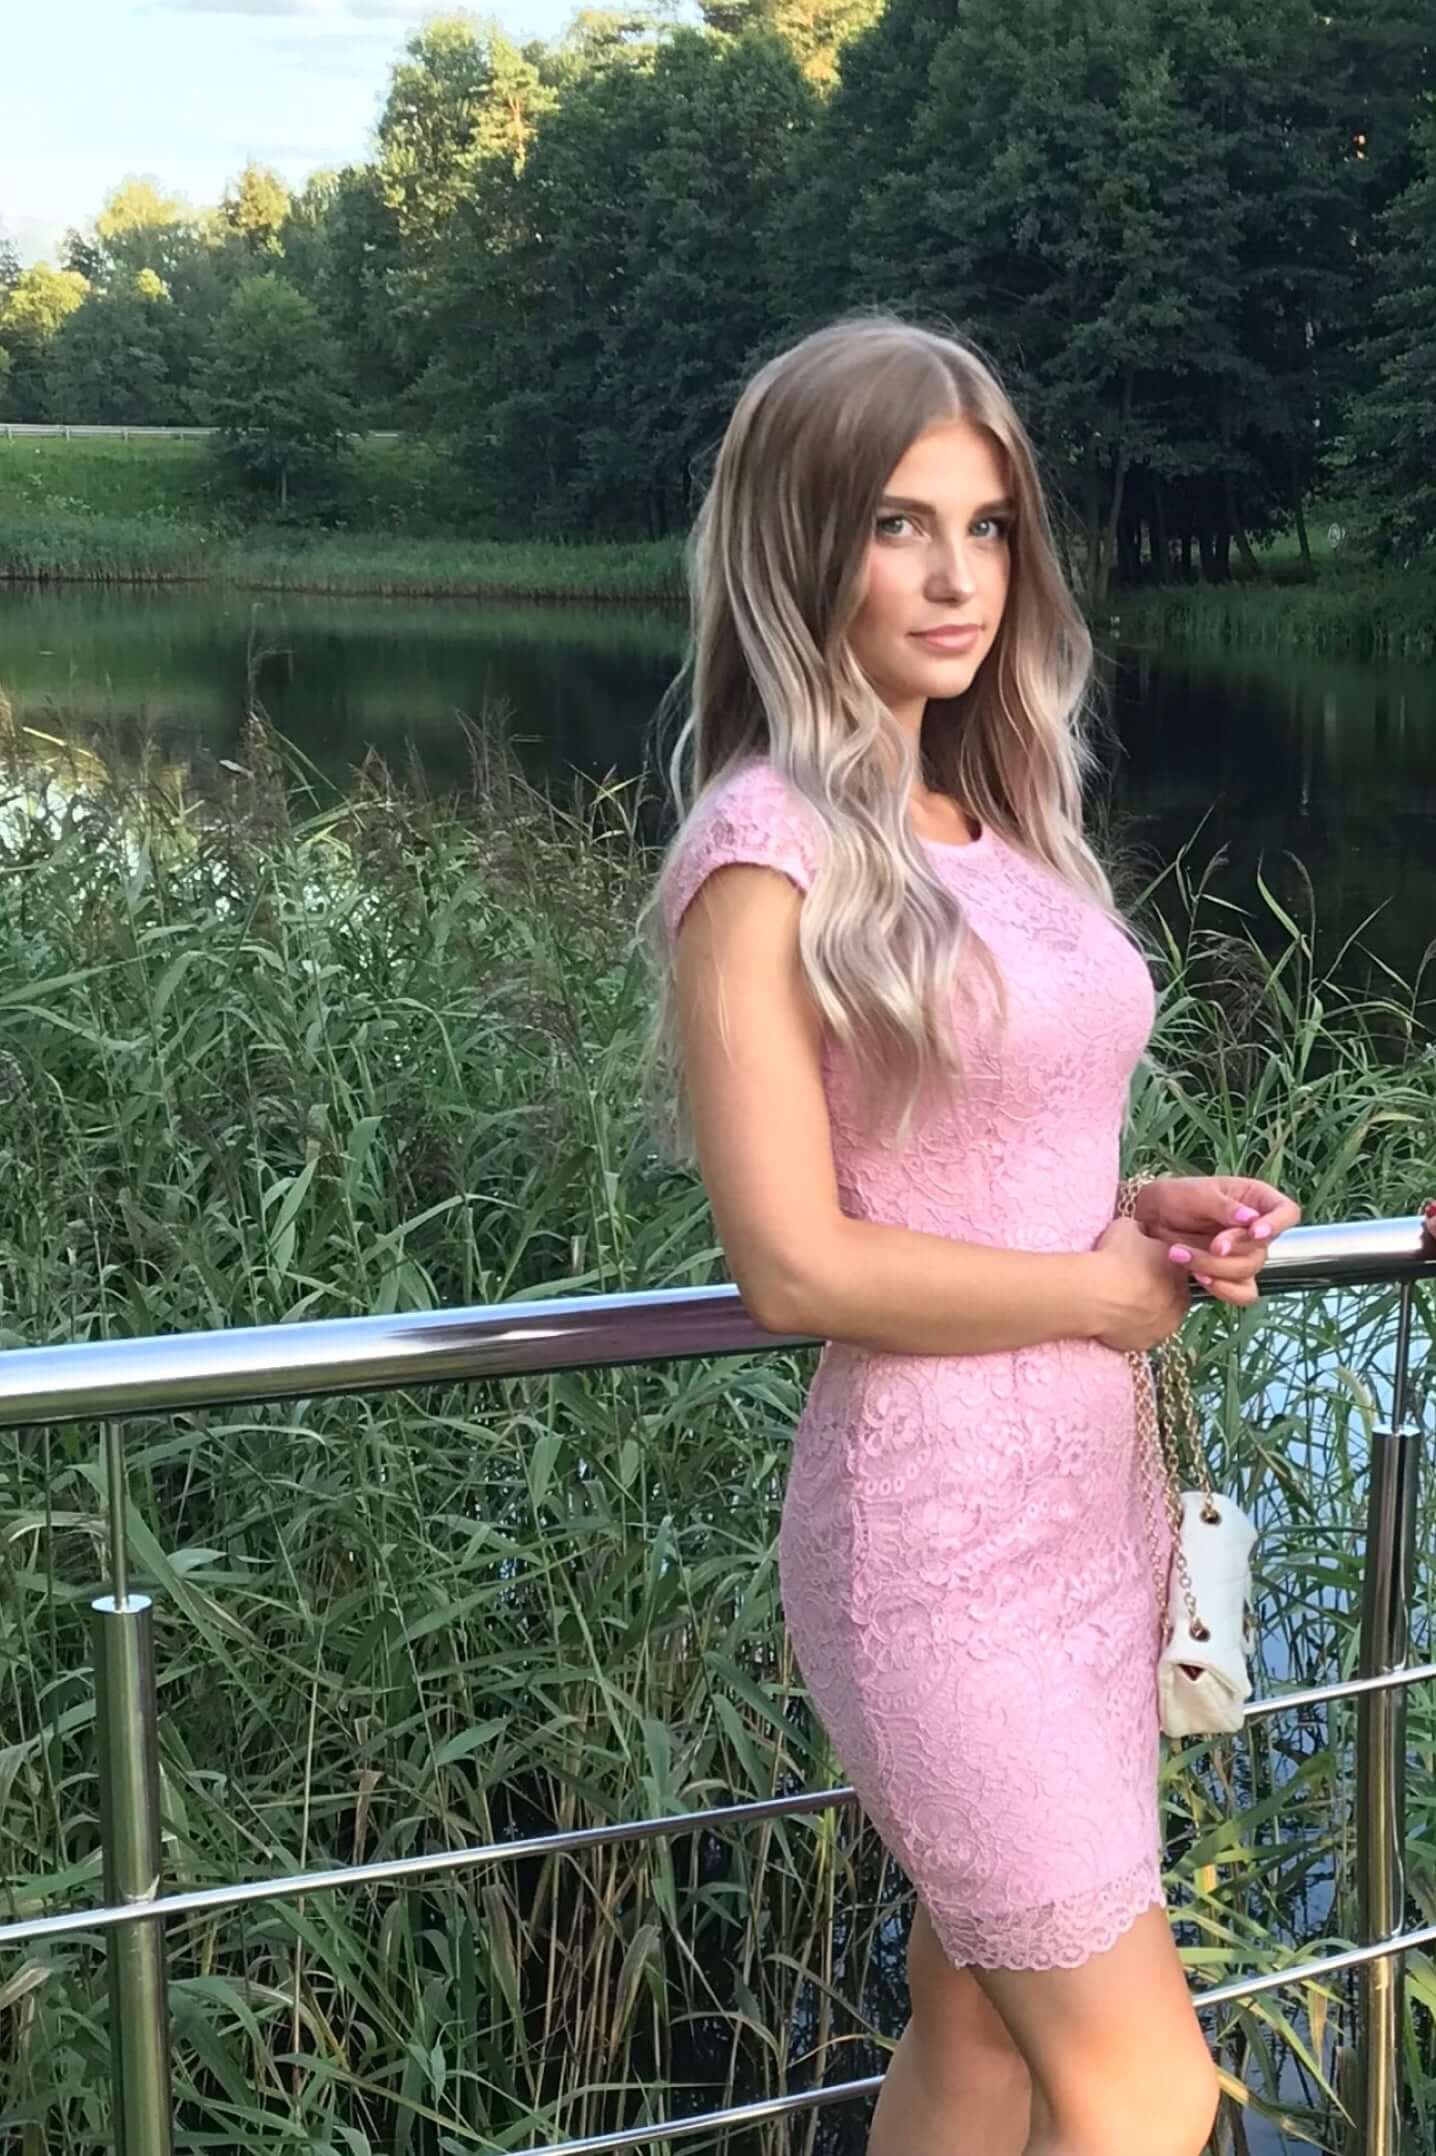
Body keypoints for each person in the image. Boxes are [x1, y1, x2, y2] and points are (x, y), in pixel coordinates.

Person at [637, 314, 1301, 2156]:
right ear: (798, 547)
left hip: (1092, 1510)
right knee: (1147, 2088)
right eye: (897, 525)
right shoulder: (762, 846)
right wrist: (1094, 1289)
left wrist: (1140, 1213)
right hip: (934, 1546)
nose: (956, 577)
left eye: (987, 526)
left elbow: (992, 1144)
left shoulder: (999, 818)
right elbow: (794, 1264)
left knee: (982, 2044)